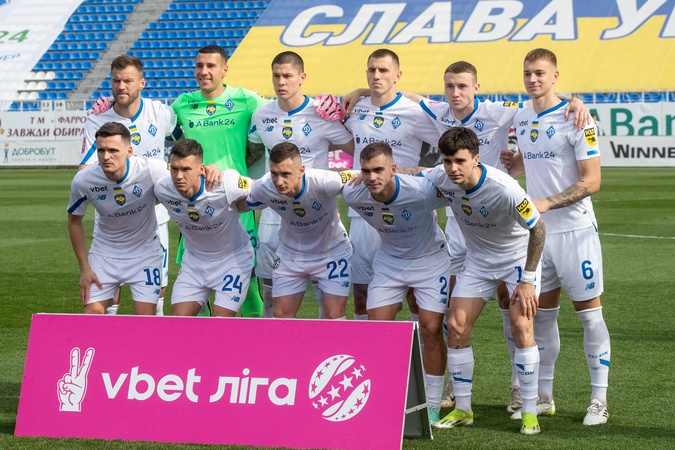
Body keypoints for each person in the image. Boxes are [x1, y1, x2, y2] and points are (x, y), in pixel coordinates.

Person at [414, 127, 546, 435]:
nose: (453, 168)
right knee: (456, 326)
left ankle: (529, 412)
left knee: (521, 325)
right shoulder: (442, 177)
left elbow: (538, 229)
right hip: (478, 261)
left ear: (476, 158)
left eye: (460, 161)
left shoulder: (505, 188)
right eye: (447, 161)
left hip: (516, 260)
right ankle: (463, 409)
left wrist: (527, 279)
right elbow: (416, 172)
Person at [506, 48, 610, 426]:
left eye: (540, 73)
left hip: (575, 232)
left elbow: (592, 181)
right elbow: (529, 158)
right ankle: (544, 397)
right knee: (542, 317)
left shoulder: (577, 118)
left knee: (589, 315)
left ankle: (598, 399)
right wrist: (514, 164)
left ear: (555, 75)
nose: (533, 79)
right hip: (539, 236)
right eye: (528, 73)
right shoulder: (520, 115)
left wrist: (546, 203)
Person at [342, 142, 450, 425]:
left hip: (430, 260)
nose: (372, 177)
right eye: (366, 171)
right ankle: (382, 397)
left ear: (393, 169)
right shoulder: (353, 194)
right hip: (390, 261)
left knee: (431, 328)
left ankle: (432, 405)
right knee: (377, 331)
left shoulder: (422, 191)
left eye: (379, 170)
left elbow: (456, 186)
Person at [248, 51, 354, 318]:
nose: (281, 81)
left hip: (318, 211)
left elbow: (355, 147)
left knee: (326, 299)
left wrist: (343, 117)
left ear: (302, 77)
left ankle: (323, 344)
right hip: (275, 214)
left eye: (287, 75)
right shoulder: (261, 115)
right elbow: (252, 152)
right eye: (276, 75)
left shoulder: (320, 114)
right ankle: (273, 342)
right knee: (271, 294)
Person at [342, 48, 442, 324]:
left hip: (407, 209)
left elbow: (449, 135)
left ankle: (419, 347)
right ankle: (369, 347)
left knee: (413, 292)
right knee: (361, 291)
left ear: (398, 75)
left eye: (384, 70)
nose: (377, 75)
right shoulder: (354, 109)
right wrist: (359, 92)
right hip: (364, 209)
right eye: (372, 70)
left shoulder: (414, 112)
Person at [80, 55, 182, 316]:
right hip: (112, 220)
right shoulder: (97, 121)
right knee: (107, 291)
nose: (121, 86)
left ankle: (152, 340)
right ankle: (108, 340)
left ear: (142, 83)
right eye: (116, 81)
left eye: (128, 80)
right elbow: (84, 171)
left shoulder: (161, 113)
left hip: (154, 217)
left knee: (157, 291)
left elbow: (182, 142)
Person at [171, 44, 267, 318]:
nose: (203, 71)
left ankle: (253, 340)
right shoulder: (182, 104)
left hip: (236, 199)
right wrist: (110, 106)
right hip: (196, 200)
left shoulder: (245, 100)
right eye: (199, 65)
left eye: (210, 66)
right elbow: (148, 118)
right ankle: (203, 343)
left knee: (248, 276)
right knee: (196, 277)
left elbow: (283, 108)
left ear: (225, 70)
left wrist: (352, 96)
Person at [67, 122, 168, 315]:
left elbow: (189, 174)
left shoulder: (151, 169)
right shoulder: (84, 179)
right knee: (91, 315)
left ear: (129, 151)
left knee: (145, 317)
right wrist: (84, 269)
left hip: (145, 253)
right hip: (104, 254)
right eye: (101, 150)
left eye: (113, 150)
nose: (106, 156)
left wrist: (210, 169)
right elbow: (74, 221)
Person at [246, 142, 356, 319]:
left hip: (332, 253)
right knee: (281, 317)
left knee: (334, 317)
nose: (279, 181)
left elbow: (360, 175)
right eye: (274, 174)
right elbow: (242, 202)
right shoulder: (264, 186)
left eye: (285, 174)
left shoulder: (325, 181)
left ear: (301, 170)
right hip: (291, 255)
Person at [154, 139, 254, 317]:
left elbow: (262, 188)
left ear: (201, 169)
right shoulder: (163, 188)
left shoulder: (225, 183)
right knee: (178, 321)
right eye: (174, 169)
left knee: (219, 323)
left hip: (233, 260)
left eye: (186, 169)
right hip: (194, 263)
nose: (178, 176)